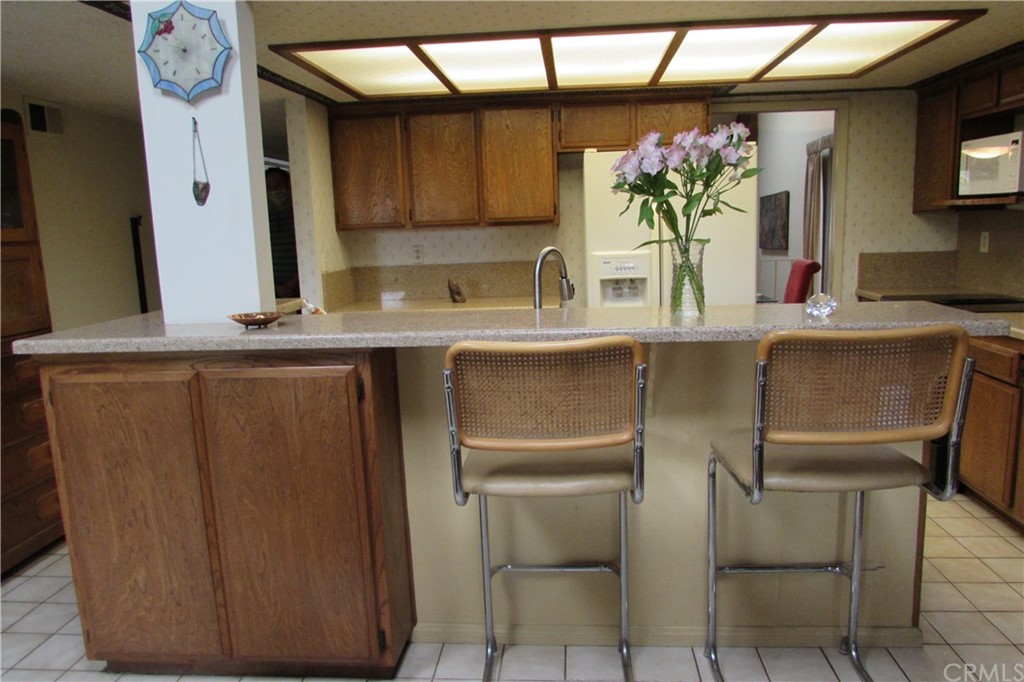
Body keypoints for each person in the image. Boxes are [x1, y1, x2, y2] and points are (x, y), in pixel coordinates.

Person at [266, 167, 300, 298]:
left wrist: (290, 285)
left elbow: (307, 255)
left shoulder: (299, 218)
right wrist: (274, 286)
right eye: (270, 187)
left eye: (278, 186)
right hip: (271, 289)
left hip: (298, 287)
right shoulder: (264, 219)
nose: (274, 191)